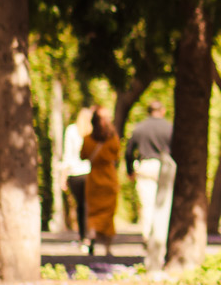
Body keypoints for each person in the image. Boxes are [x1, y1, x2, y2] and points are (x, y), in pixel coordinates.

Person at [125, 101, 176, 271]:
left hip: (145, 167)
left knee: (147, 207)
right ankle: (161, 240)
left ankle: (148, 239)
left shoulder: (139, 128)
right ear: (162, 110)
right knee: (163, 206)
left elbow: (128, 150)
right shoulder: (169, 128)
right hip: (164, 167)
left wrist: (129, 169)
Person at [79, 105, 123, 258]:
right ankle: (108, 247)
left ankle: (91, 237)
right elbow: (117, 155)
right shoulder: (113, 139)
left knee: (93, 211)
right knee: (108, 213)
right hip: (109, 178)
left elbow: (83, 155)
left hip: (94, 179)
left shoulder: (87, 140)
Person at [62, 107, 94, 250]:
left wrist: (63, 176)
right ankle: (90, 236)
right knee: (90, 206)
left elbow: (67, 155)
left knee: (81, 206)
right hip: (90, 173)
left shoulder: (71, 131)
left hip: (75, 173)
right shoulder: (94, 132)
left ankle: (84, 237)